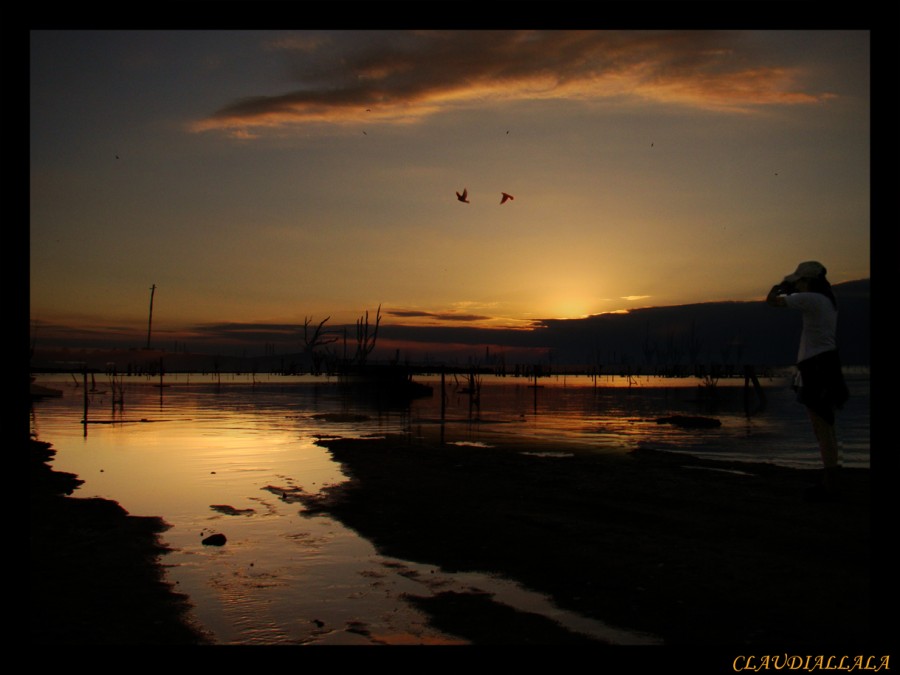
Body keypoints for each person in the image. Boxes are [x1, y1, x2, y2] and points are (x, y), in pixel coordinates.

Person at [767, 261, 850, 501]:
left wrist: (780, 286)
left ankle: (830, 486)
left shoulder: (812, 299)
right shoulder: (826, 300)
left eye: (800, 281)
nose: (797, 286)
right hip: (823, 363)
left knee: (821, 426)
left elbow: (771, 300)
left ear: (808, 282)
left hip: (817, 366)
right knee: (825, 425)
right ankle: (831, 481)